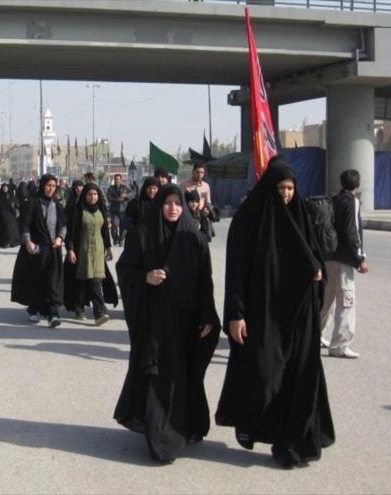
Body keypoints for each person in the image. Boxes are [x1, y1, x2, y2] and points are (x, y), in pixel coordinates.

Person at [215, 156, 335, 469]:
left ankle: (294, 443)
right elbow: (236, 273)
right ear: (269, 186)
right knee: (266, 377)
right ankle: (267, 429)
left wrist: (318, 272)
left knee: (300, 378)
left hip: (300, 316)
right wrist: (236, 314)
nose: (286, 194)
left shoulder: (301, 215)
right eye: (281, 187)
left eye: (291, 188)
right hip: (264, 317)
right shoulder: (250, 219)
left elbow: (315, 256)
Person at [114, 184, 220, 464]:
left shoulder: (195, 239)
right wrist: (145, 278)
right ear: (158, 205)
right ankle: (161, 438)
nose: (172, 208)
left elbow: (204, 281)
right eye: (167, 203)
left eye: (177, 203)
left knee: (183, 376)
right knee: (158, 375)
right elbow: (125, 270)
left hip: (186, 322)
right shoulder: (142, 235)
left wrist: (208, 315)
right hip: (155, 323)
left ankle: (186, 426)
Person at [320, 169, 369, 359]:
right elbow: (352, 232)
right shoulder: (352, 202)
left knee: (326, 299)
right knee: (346, 302)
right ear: (357, 185)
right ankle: (340, 345)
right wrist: (360, 258)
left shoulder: (332, 199)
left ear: (341, 183)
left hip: (328, 256)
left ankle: (315, 335)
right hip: (343, 260)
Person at [11, 174, 66, 328]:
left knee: (52, 281)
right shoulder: (33, 203)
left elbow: (63, 225)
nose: (51, 189)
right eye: (48, 185)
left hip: (53, 250)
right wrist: (28, 241)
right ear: (42, 185)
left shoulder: (58, 205)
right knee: (36, 281)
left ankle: (53, 313)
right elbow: (25, 224)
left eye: (54, 186)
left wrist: (60, 238)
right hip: (36, 250)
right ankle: (34, 308)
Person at [64, 183, 117, 324]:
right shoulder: (78, 210)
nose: (92, 197)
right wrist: (70, 249)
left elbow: (105, 230)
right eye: (89, 194)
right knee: (81, 280)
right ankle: (79, 308)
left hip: (98, 251)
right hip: (81, 249)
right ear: (84, 196)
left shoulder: (101, 210)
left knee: (96, 280)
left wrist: (109, 248)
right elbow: (71, 232)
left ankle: (99, 313)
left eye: (95, 194)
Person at [106, 173, 129, 246]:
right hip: (114, 210)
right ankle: (115, 239)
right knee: (115, 225)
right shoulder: (111, 188)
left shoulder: (125, 188)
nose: (117, 181)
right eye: (116, 179)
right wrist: (117, 199)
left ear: (121, 180)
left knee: (124, 227)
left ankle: (121, 240)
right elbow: (109, 197)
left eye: (118, 179)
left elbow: (133, 193)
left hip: (124, 211)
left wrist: (126, 195)